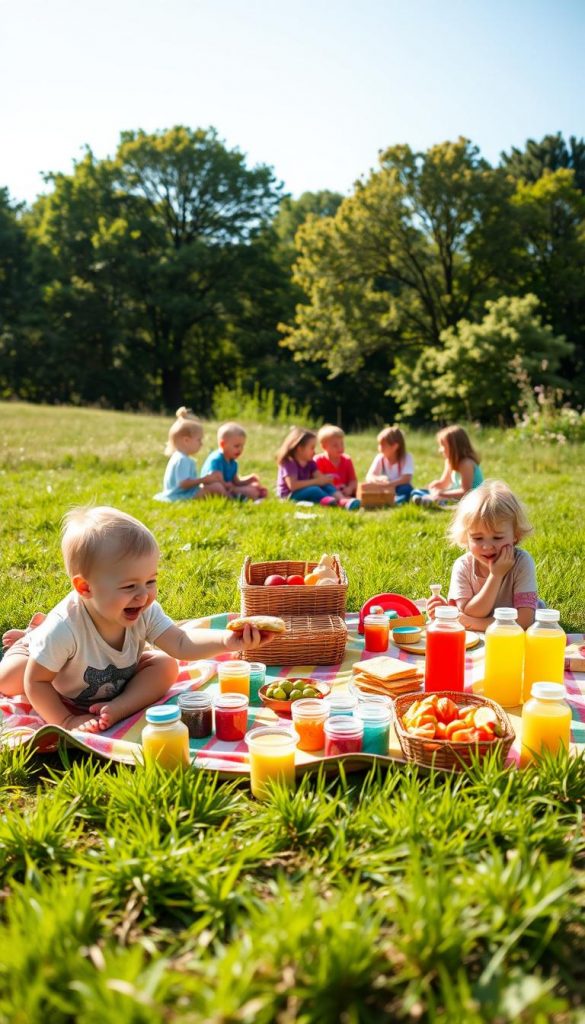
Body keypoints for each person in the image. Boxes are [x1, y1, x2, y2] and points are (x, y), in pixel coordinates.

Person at [0, 506, 272, 732]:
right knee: (11, 681)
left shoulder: (142, 610)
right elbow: (37, 683)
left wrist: (227, 639)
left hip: (108, 676)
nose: (143, 595)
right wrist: (67, 720)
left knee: (166, 665)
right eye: (129, 587)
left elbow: (181, 641)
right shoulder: (64, 628)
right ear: (85, 588)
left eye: (150, 581)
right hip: (53, 672)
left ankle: (118, 707)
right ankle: (30, 636)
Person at [427, 480, 540, 631]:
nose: (487, 546)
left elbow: (524, 621)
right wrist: (496, 576)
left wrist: (473, 623)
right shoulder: (463, 566)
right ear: (466, 537)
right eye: (478, 538)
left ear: (516, 535)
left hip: (514, 638)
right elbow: (469, 611)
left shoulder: (522, 563)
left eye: (498, 538)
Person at [154, 408, 227, 502]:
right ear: (186, 441)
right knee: (216, 488)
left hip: (182, 493)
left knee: (213, 486)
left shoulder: (180, 457)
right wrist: (204, 479)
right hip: (179, 496)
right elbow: (184, 484)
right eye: (199, 440)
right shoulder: (182, 459)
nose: (201, 444)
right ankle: (232, 499)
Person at [276, 427, 359, 509]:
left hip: (305, 490)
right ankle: (329, 501)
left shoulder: (310, 462)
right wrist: (317, 481)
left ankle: (343, 501)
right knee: (314, 489)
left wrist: (326, 479)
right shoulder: (289, 462)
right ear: (300, 449)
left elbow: (320, 478)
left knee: (325, 485)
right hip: (289, 496)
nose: (314, 452)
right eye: (312, 448)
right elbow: (293, 485)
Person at [411, 425, 483, 507]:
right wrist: (434, 485)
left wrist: (441, 493)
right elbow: (444, 483)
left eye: (443, 446)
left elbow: (466, 491)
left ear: (454, 447)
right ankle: (430, 500)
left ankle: (433, 502)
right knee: (417, 491)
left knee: (439, 496)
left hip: (472, 498)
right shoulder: (450, 461)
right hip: (455, 495)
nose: (440, 450)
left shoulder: (466, 464)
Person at [200, 422, 268, 501]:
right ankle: (235, 499)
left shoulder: (233, 462)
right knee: (218, 487)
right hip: (213, 488)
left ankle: (244, 496)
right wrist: (234, 488)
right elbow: (216, 480)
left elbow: (237, 482)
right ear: (223, 444)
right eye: (237, 446)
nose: (240, 449)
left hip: (229, 488)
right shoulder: (216, 460)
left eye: (242, 446)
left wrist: (250, 479)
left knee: (254, 487)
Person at [365, 426, 414, 506]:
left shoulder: (406, 458)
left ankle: (398, 500)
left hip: (398, 488)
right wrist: (378, 479)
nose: (379, 448)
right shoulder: (380, 458)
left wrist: (390, 484)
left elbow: (406, 479)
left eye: (383, 445)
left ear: (395, 446)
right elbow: (369, 476)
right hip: (384, 488)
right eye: (379, 445)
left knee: (406, 489)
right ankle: (391, 500)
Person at [315, 425, 360, 507]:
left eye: (342, 444)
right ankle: (341, 502)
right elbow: (318, 482)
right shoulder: (318, 460)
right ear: (324, 447)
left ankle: (346, 502)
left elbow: (353, 481)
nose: (340, 448)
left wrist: (349, 488)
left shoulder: (347, 460)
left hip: (344, 492)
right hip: (327, 493)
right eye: (335, 445)